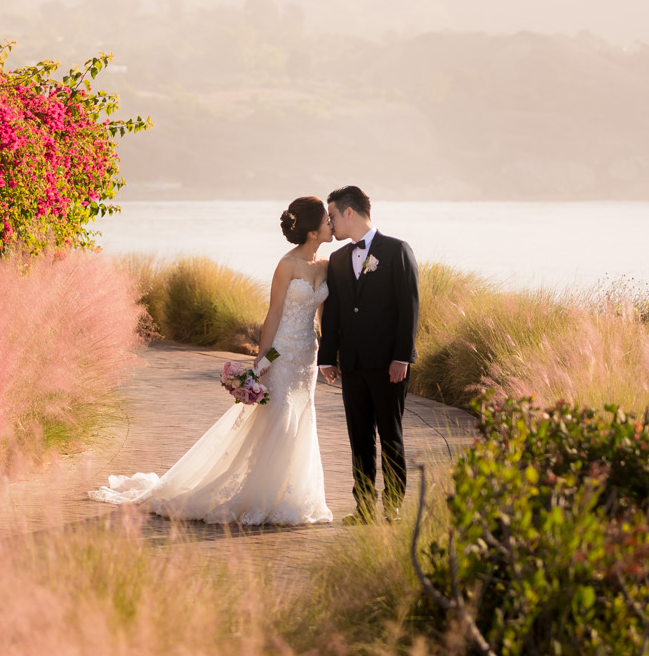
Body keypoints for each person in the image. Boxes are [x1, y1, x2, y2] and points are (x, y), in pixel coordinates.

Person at [87, 196, 335, 525]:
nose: (332, 224)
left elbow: (323, 314)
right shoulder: (287, 264)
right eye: (327, 221)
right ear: (313, 232)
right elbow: (273, 313)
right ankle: (260, 495)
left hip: (308, 357)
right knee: (279, 418)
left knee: (301, 420)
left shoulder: (327, 264)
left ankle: (291, 495)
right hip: (282, 354)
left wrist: (329, 353)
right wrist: (260, 362)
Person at [317, 185, 418, 523]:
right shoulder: (338, 259)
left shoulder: (397, 250)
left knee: (390, 435)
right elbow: (332, 314)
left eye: (332, 215)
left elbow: (409, 309)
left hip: (390, 365)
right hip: (353, 365)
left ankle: (393, 506)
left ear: (349, 212)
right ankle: (363, 508)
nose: (330, 223)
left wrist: (402, 357)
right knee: (359, 438)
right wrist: (328, 358)